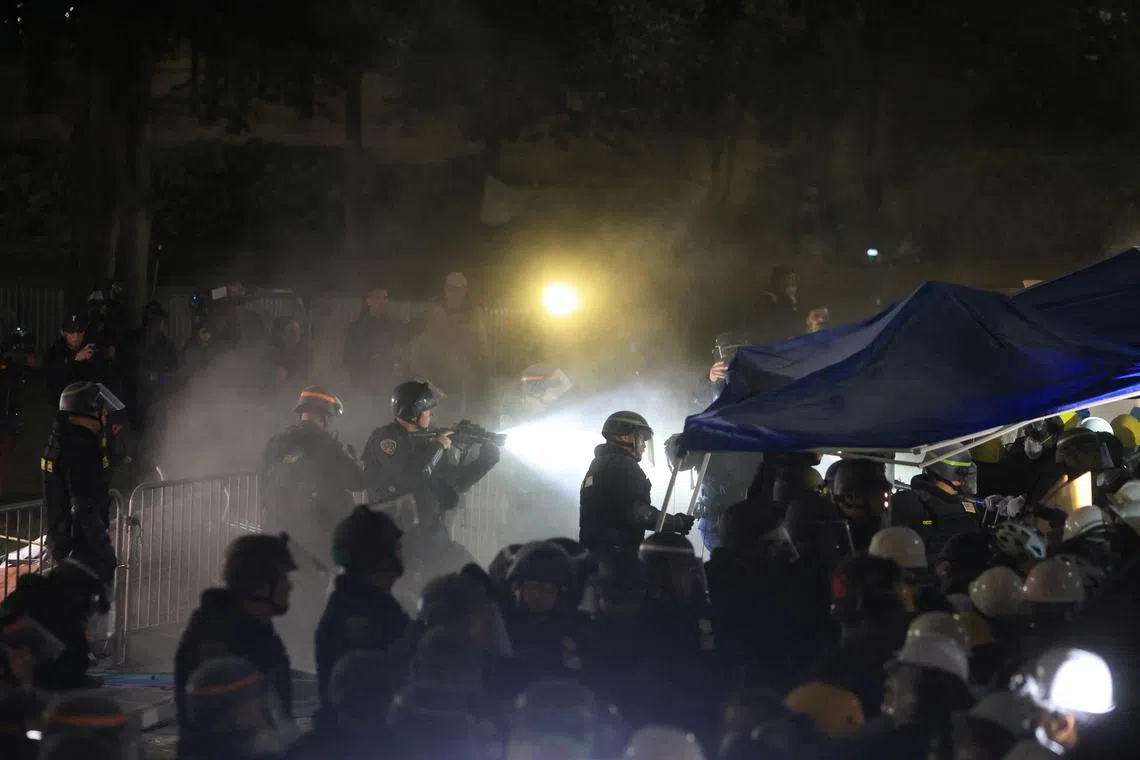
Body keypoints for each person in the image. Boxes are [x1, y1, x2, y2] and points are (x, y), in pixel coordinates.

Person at [362, 381, 501, 579]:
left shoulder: (427, 443)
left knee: (474, 581)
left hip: (433, 539)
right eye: (428, 411)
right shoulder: (387, 440)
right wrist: (437, 446)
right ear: (414, 413)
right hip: (399, 543)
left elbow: (455, 483)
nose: (431, 416)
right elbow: (411, 477)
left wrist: (485, 461)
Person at [174, 534, 297, 729]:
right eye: (283, 578)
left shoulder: (253, 628)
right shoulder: (218, 642)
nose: (290, 586)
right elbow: (239, 734)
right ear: (262, 585)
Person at [314, 505, 410, 728]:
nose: (401, 552)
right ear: (379, 556)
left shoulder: (368, 604)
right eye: (395, 547)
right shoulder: (362, 615)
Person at [579, 411, 694, 565]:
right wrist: (676, 523)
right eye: (641, 438)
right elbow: (639, 513)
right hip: (619, 559)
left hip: (597, 557)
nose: (644, 445)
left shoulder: (599, 464)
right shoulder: (623, 465)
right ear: (624, 436)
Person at [259, 386, 367, 550]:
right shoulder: (329, 447)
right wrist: (353, 459)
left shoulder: (276, 442)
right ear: (326, 415)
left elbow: (262, 477)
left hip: (277, 532)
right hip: (316, 538)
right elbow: (357, 482)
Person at [41, 381, 123, 583]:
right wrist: (104, 550)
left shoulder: (63, 439)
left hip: (66, 541)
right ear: (86, 411)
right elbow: (81, 506)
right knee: (88, 608)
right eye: (101, 410)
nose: (105, 415)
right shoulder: (78, 448)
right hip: (79, 545)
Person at [342, 287, 412, 393]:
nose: (382, 302)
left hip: (387, 384)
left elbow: (404, 338)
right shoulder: (357, 328)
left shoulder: (391, 324)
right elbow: (349, 358)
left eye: (385, 298)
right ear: (369, 300)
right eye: (378, 298)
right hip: (362, 385)